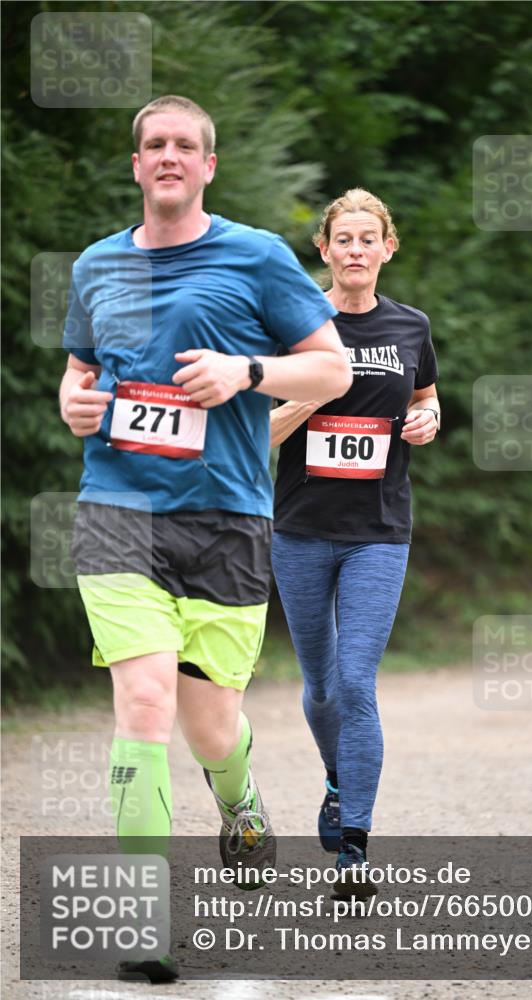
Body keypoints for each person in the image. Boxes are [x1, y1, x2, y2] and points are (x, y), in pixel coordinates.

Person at [59, 95, 352, 981]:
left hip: (227, 519)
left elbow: (332, 369)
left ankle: (240, 795)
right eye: (154, 144)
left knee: (210, 725)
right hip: (118, 510)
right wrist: (75, 403)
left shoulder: (255, 256)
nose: (168, 156)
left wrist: (246, 371)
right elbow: (79, 375)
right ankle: (141, 921)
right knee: (144, 702)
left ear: (208, 165)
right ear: (136, 164)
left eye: (184, 145)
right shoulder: (97, 265)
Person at [270, 188, 439, 896]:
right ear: (325, 248)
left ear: (387, 248)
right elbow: (254, 433)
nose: (356, 250)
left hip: (378, 531)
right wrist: (310, 396)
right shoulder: (295, 324)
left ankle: (355, 848)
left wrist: (429, 418)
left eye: (369, 238)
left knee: (354, 681)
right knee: (318, 686)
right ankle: (337, 778)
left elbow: (424, 397)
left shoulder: (410, 326)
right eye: (344, 238)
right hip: (301, 528)